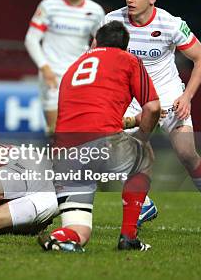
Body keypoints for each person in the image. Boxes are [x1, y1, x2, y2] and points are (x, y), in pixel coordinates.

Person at [105, 0, 201, 234]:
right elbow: (98, 53)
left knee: (187, 153)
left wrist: (186, 97)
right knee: (112, 151)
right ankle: (145, 203)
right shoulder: (112, 20)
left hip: (167, 94)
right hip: (131, 96)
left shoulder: (170, 23)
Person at [37, 21, 161, 252]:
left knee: (80, 232)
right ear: (125, 46)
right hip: (103, 141)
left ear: (95, 42)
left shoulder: (74, 66)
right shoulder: (129, 60)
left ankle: (60, 237)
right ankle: (129, 237)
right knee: (144, 157)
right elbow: (152, 108)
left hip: (64, 153)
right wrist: (142, 138)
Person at [24, 0, 105, 134]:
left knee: (81, 127)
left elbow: (103, 43)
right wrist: (44, 67)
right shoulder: (49, 5)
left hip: (80, 75)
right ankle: (56, 160)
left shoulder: (95, 11)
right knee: (54, 130)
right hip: (52, 73)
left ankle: (78, 160)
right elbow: (31, 39)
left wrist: (93, 61)